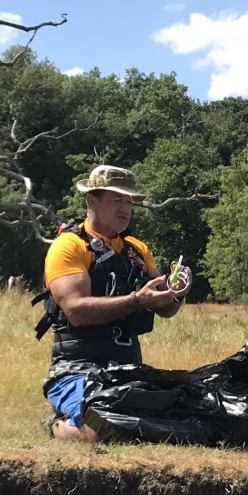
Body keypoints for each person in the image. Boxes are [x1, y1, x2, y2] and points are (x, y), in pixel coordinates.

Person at [34, 164, 188, 442]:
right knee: (106, 429)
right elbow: (75, 311)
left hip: (127, 372)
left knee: (175, 418)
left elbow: (166, 309)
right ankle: (57, 426)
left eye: (129, 201)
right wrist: (136, 300)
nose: (125, 208)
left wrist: (177, 292)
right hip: (75, 370)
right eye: (117, 199)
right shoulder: (69, 246)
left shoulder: (138, 250)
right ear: (92, 201)